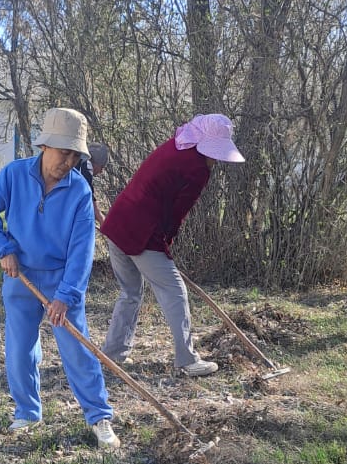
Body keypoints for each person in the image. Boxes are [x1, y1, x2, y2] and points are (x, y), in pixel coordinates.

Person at [0, 108, 120, 449]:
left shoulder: (80, 193)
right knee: (19, 349)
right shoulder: (13, 175)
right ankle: (27, 411)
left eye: (74, 155)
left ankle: (99, 417)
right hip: (21, 276)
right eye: (62, 152)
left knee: (77, 349)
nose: (67, 161)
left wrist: (66, 296)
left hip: (61, 282)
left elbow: (81, 252)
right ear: (44, 146)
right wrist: (2, 248)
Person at [99, 113, 244, 376]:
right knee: (175, 291)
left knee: (130, 292)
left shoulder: (177, 142)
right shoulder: (197, 168)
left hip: (117, 222)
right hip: (141, 232)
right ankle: (188, 360)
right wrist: (165, 242)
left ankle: (112, 355)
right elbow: (177, 211)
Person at [78, 141, 110, 225]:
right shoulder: (87, 166)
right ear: (97, 163)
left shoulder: (76, 162)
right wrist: (101, 218)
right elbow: (88, 194)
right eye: (102, 167)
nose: (101, 171)